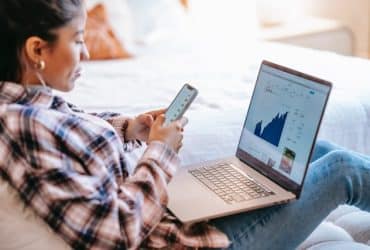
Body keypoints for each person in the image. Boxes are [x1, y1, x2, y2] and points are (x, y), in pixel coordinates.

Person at [1, 1, 370, 250]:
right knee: (342, 170)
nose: (85, 53)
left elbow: (68, 133)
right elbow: (112, 234)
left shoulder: (26, 105)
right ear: (37, 50)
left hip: (176, 217)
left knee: (318, 152)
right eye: (78, 40)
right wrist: (160, 151)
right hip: (182, 241)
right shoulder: (23, 125)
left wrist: (131, 127)